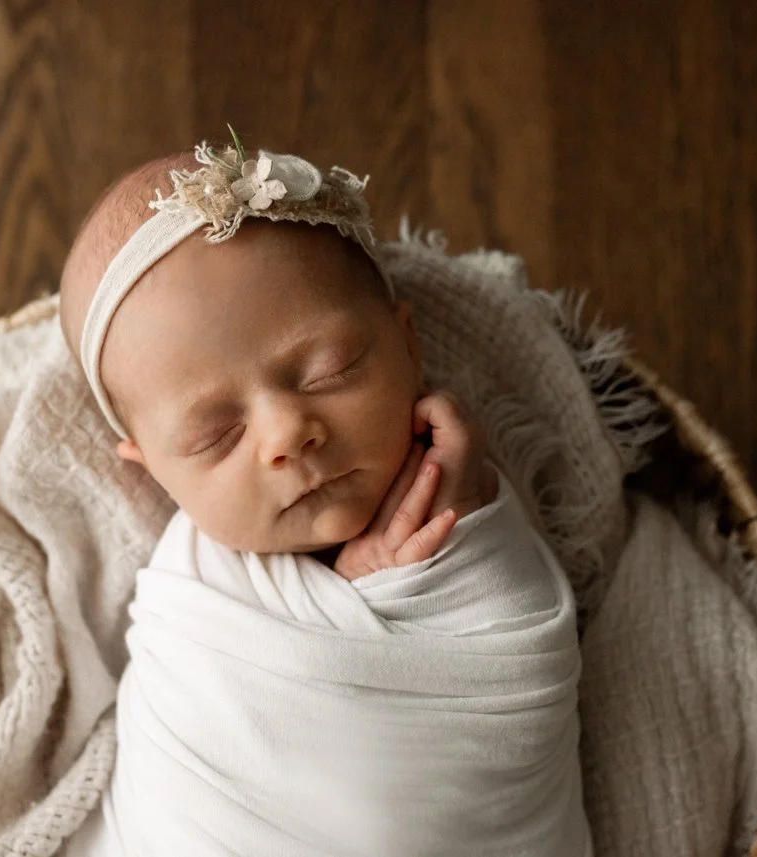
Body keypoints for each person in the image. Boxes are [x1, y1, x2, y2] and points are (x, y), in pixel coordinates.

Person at [57, 138, 592, 856]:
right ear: (149, 465)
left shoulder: (462, 496)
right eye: (216, 434)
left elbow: (512, 683)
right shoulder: (193, 601)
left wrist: (453, 545)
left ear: (409, 345)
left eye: (327, 369)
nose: (286, 433)